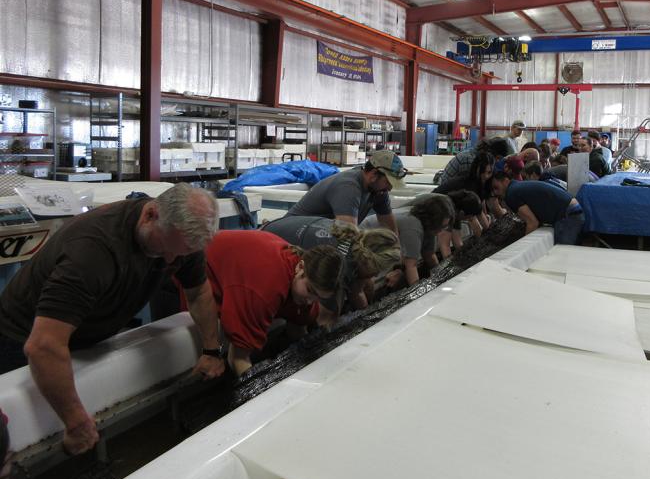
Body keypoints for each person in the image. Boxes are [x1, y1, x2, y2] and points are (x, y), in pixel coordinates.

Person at [0, 184, 224, 455]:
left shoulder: (180, 239)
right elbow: (43, 346)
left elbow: (198, 292)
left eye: (182, 253)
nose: (171, 260)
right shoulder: (91, 253)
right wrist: (75, 422)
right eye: (166, 249)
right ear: (150, 214)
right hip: (21, 339)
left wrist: (212, 349)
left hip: (84, 333)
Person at [201, 230, 343, 376]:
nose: (309, 301)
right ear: (300, 267)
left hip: (245, 267)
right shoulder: (263, 292)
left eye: (318, 298)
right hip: (203, 264)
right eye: (310, 290)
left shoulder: (302, 284)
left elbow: (298, 330)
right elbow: (237, 358)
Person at [261, 217, 400, 313]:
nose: (376, 275)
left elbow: (357, 290)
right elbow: (326, 316)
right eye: (376, 270)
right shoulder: (340, 264)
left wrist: (367, 314)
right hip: (268, 249)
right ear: (367, 261)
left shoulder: (356, 238)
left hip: (273, 228)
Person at [283, 150, 406, 233]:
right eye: (388, 182)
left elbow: (389, 228)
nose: (390, 188)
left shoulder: (378, 190)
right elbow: (348, 235)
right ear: (373, 174)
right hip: (293, 233)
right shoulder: (348, 187)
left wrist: (398, 259)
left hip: (315, 234)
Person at [361, 194, 452, 288]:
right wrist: (418, 293)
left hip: (387, 245)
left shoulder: (429, 228)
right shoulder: (413, 226)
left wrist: (442, 277)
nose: (440, 231)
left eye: (443, 227)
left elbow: (429, 255)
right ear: (431, 221)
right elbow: (411, 266)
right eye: (439, 227)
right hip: (366, 241)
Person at [491, 171, 585, 244]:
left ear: (506, 181)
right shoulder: (517, 186)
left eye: (496, 188)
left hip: (568, 213)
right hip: (573, 209)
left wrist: (522, 247)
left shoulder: (511, 194)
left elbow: (532, 223)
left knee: (562, 254)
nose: (495, 193)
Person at [434, 137, 510, 186]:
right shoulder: (469, 160)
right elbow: (467, 188)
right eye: (497, 158)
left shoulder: (478, 158)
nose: (497, 161)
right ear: (490, 152)